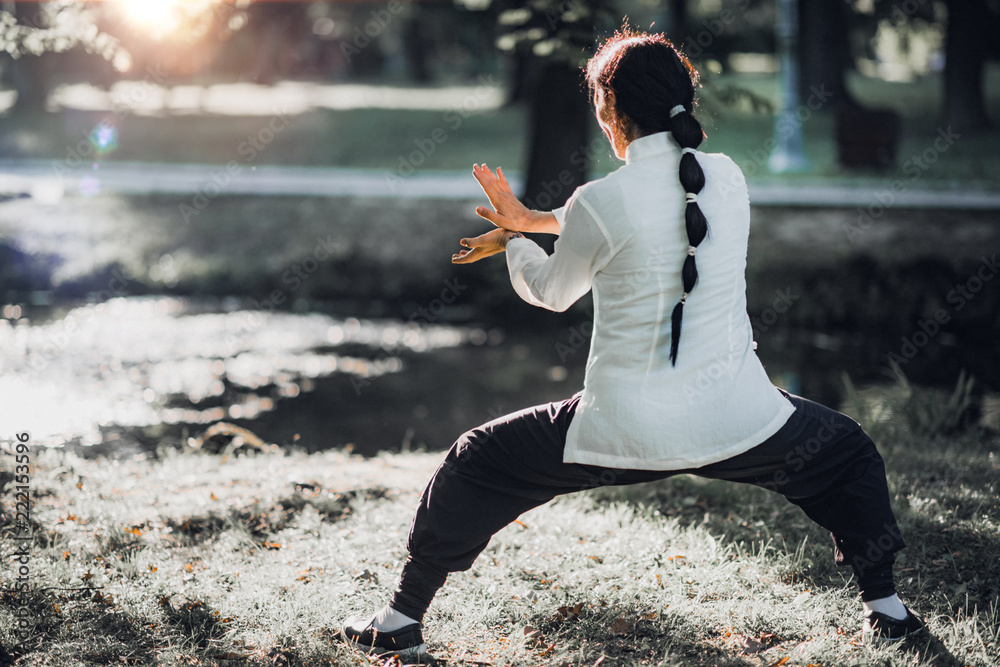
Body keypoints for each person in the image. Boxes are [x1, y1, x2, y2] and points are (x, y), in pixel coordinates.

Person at [341, 29, 924, 661]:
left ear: (611, 109)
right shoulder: (726, 180)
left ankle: (399, 620)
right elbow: (642, 214)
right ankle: (887, 610)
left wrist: (513, 243)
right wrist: (532, 220)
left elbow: (551, 290)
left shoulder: (602, 202)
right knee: (849, 455)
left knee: (474, 460)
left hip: (619, 434)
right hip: (742, 421)